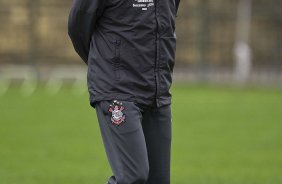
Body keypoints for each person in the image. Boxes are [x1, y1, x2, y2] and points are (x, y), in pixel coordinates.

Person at [68, 0, 180, 183]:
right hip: (117, 90)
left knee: (158, 180)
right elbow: (77, 26)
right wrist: (107, 66)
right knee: (132, 177)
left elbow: (166, 22)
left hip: (158, 92)